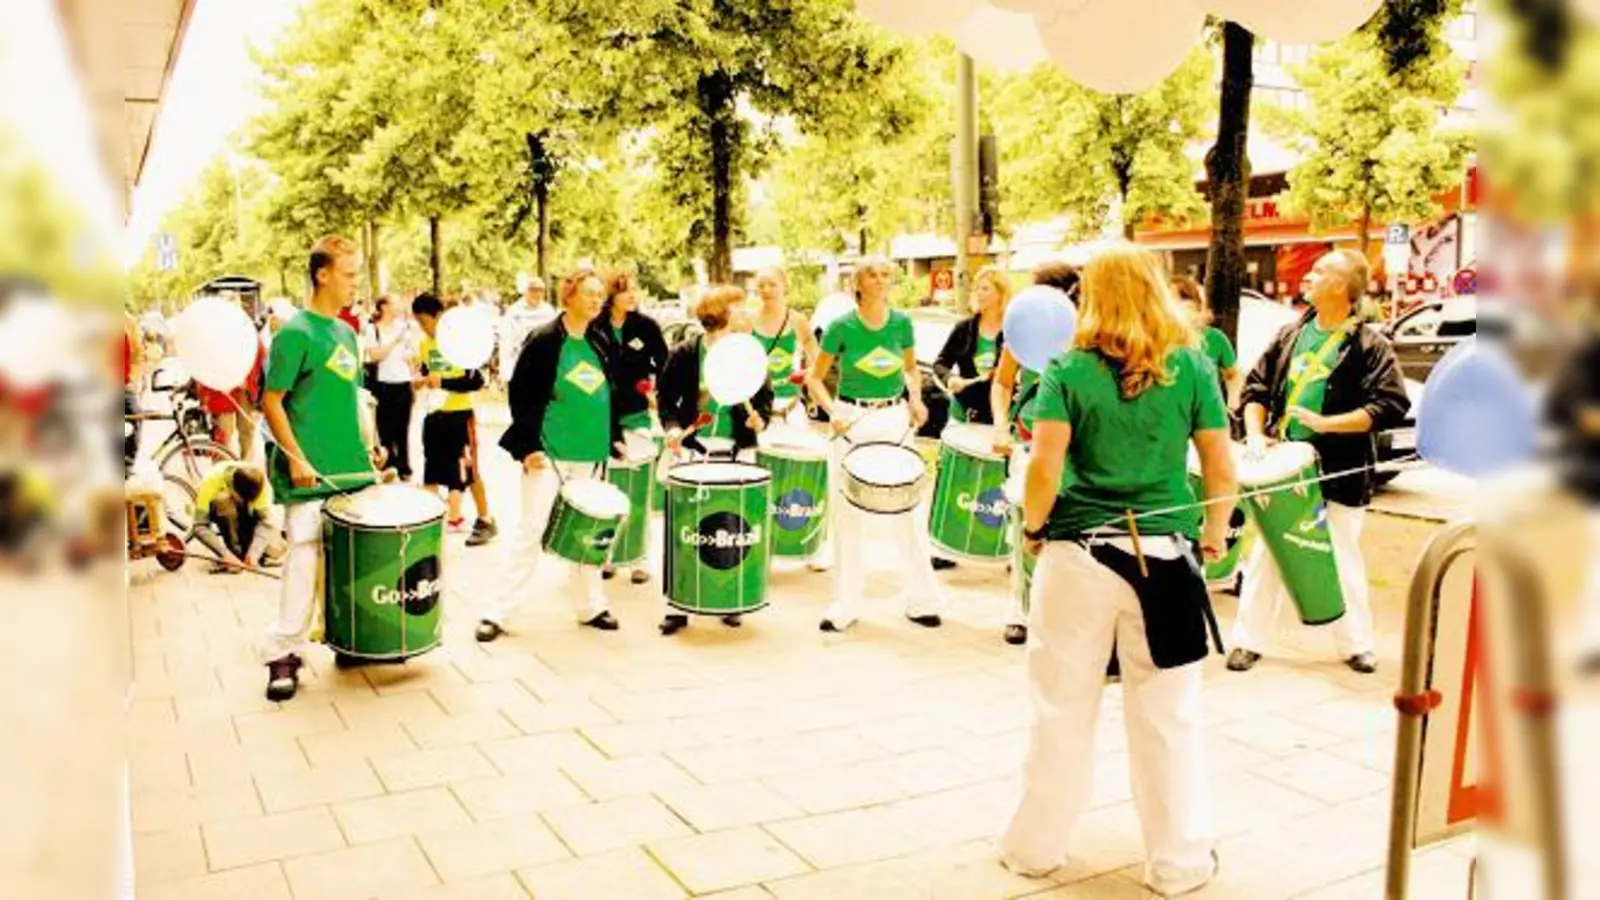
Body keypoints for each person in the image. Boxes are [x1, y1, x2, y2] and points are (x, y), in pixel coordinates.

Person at [998, 243, 1237, 897]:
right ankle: (1180, 863)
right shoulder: (1191, 366)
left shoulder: (1068, 370)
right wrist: (1214, 535)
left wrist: (1034, 529)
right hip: (1165, 558)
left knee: (1059, 706)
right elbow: (1220, 466)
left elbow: (1044, 467)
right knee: (1168, 715)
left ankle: (1034, 850)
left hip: (1078, 556)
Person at [1227, 249, 1410, 675]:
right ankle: (1247, 640)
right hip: (1284, 469)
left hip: (1339, 471)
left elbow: (1390, 403)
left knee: (1342, 556)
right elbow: (1255, 390)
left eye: (1321, 270)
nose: (1308, 275)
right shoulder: (1290, 334)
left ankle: (1356, 645)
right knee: (1266, 557)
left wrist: (1327, 425)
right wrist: (1256, 436)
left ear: (1344, 287)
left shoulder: (1369, 344)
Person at [259, 235, 379, 702]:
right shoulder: (295, 333)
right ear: (322, 274)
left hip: (350, 468)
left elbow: (353, 398)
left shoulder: (347, 333)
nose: (355, 284)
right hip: (308, 473)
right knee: (304, 555)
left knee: (348, 556)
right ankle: (282, 652)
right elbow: (271, 402)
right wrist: (297, 457)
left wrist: (372, 446)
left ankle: (345, 636)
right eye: (349, 275)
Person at [476, 268, 625, 641]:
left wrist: (615, 437)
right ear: (569, 295)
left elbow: (611, 393)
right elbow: (522, 396)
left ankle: (591, 606)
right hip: (550, 457)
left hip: (591, 457)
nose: (596, 300)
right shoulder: (544, 340)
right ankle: (498, 611)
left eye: (599, 294)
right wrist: (528, 448)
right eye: (588, 293)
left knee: (587, 536)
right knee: (531, 531)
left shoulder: (602, 340)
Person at [807, 256, 945, 633]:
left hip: (895, 418)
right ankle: (846, 604)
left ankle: (922, 600)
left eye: (886, 274)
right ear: (858, 282)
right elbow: (815, 380)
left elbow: (911, 369)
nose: (881, 279)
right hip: (852, 420)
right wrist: (833, 410)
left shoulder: (902, 323)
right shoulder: (841, 326)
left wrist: (915, 399)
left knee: (908, 511)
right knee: (848, 515)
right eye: (873, 274)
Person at [657, 285, 775, 635]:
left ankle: (729, 598)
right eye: (739, 308)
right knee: (684, 527)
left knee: (732, 526)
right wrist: (673, 427)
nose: (747, 312)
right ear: (723, 314)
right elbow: (666, 397)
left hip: (737, 451)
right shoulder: (685, 353)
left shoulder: (749, 353)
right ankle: (677, 604)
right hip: (696, 450)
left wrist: (761, 419)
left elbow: (764, 397)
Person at [990, 261, 1080, 645]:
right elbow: (1002, 383)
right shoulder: (1021, 335)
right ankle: (1020, 611)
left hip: (1076, 447)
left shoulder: (1085, 336)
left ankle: (1065, 611)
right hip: (1029, 441)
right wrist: (999, 426)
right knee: (1025, 525)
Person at [412, 293, 497, 546]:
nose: (423, 328)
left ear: (439, 316)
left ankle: (485, 519)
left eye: (425, 322)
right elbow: (429, 373)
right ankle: (426, 528)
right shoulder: (424, 345)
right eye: (418, 323)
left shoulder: (460, 341)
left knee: (469, 472)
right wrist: (422, 381)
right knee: (430, 472)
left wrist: (445, 382)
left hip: (460, 417)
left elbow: (476, 381)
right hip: (434, 415)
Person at [597, 269, 669, 435]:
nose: (631, 296)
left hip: (636, 409)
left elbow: (664, 363)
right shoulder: (595, 326)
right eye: (624, 291)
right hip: (601, 408)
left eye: (634, 290)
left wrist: (657, 394)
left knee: (640, 453)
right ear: (611, 295)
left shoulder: (647, 326)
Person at [937, 265, 1010, 426]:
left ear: (1001, 293)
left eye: (985, 288)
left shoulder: (1013, 329)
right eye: (977, 288)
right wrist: (950, 378)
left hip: (1000, 416)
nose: (979, 293)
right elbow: (941, 363)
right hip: (963, 412)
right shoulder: (963, 328)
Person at [752, 266, 822, 428]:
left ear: (785, 287)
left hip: (792, 410)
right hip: (759, 411)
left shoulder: (798, 321)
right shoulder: (748, 321)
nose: (766, 289)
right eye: (761, 285)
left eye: (772, 284)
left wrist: (809, 377)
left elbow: (819, 362)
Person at [190, 461, 282, 574]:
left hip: (247, 513)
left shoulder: (260, 483)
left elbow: (266, 523)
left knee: (277, 549)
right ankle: (234, 552)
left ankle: (246, 552)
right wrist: (225, 554)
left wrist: (254, 553)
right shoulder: (210, 483)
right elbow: (199, 526)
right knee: (222, 501)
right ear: (232, 487)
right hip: (221, 506)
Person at [361, 296, 416, 482]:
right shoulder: (372, 329)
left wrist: (411, 357)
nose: (398, 307)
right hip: (384, 383)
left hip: (403, 381)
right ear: (383, 307)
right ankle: (388, 464)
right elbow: (375, 355)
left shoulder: (404, 326)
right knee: (385, 427)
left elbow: (410, 351)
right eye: (394, 304)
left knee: (403, 426)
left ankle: (404, 465)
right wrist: (394, 342)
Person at [1171, 275, 1239, 409]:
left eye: (1182, 299)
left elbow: (1232, 375)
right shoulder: (1157, 339)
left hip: (1207, 417)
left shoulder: (1215, 338)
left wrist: (1232, 404)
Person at [498, 274, 557, 387]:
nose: (537, 294)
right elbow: (506, 341)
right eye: (533, 290)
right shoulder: (514, 312)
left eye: (540, 290)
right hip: (520, 362)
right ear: (526, 291)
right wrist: (504, 371)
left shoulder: (548, 311)